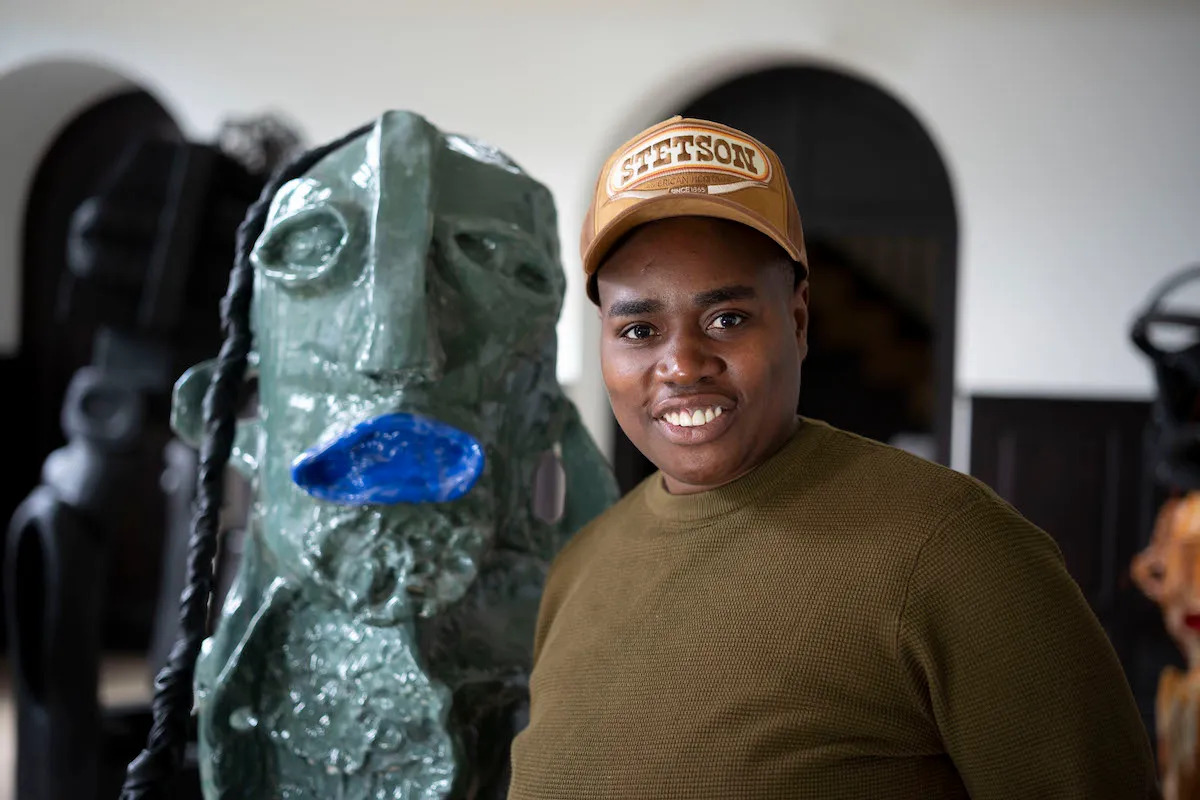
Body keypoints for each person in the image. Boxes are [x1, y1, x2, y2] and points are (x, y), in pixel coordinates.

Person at [506, 116, 1160, 799]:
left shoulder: (954, 549)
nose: (680, 365)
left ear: (797, 319)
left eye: (727, 318)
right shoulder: (578, 569)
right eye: (639, 330)